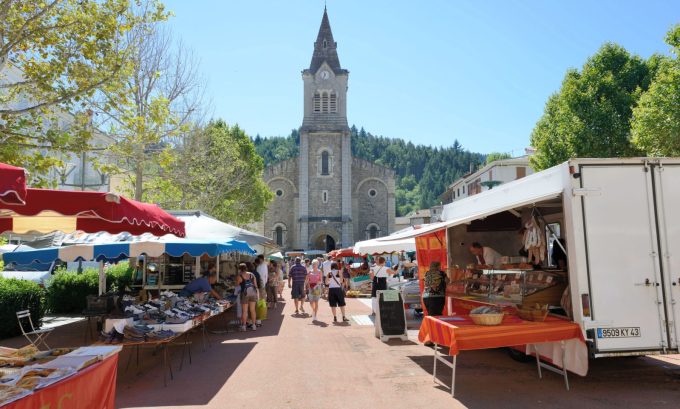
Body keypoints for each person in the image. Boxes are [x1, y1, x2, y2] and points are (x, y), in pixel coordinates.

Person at [235, 263, 258, 331]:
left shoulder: (239, 276)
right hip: (253, 293)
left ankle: (244, 326)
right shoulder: (251, 274)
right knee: (253, 310)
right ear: (246, 268)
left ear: (239, 269)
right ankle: (254, 326)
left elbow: (236, 285)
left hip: (244, 294)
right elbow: (255, 285)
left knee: (244, 311)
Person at [254, 256, 268, 326]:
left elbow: (260, 277)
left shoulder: (259, 267)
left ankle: (260, 316)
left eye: (259, 259)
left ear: (261, 259)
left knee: (260, 301)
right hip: (263, 285)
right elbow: (266, 276)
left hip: (260, 285)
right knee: (262, 301)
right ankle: (263, 314)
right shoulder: (264, 265)